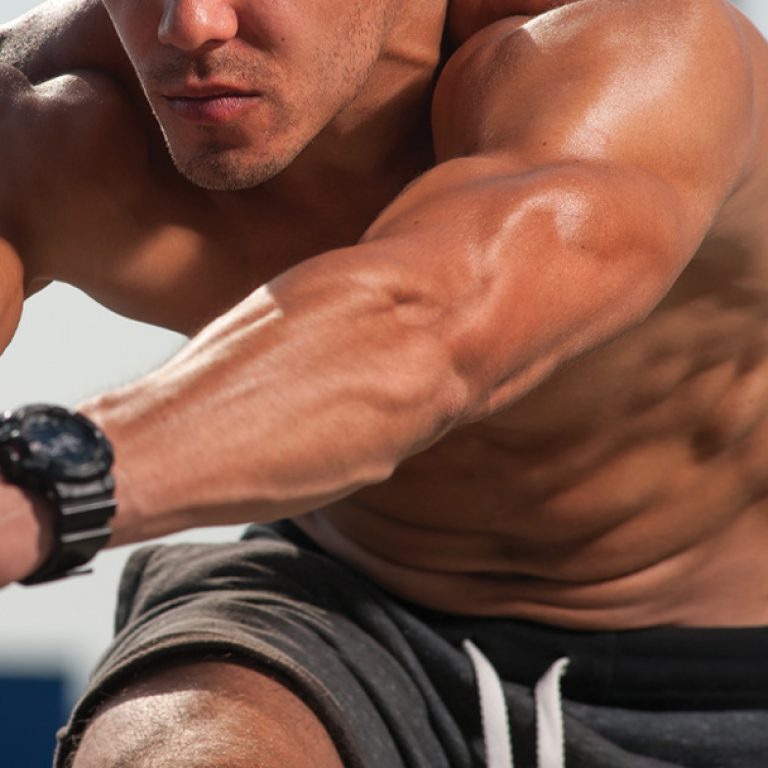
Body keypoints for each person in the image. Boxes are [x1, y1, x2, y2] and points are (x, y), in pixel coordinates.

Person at [1, 0, 767, 765]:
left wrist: (46, 483)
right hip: (337, 610)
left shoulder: (634, 46)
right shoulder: (47, 115)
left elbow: (427, 328)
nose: (192, 26)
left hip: (733, 649)